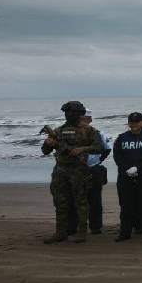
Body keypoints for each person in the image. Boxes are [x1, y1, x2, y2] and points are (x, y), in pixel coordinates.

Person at [41, 101, 104, 243]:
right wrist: (48, 144)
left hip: (79, 169)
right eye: (67, 112)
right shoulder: (58, 131)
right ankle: (60, 232)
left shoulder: (89, 130)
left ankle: (82, 232)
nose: (70, 115)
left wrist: (82, 149)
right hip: (61, 170)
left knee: (81, 201)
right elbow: (45, 151)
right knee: (60, 202)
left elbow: (99, 147)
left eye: (73, 112)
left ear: (80, 114)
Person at [112, 112, 142, 241]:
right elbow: (117, 155)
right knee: (126, 205)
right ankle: (125, 233)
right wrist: (126, 168)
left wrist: (138, 167)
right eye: (131, 122)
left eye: (137, 122)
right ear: (128, 123)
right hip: (125, 175)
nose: (134, 124)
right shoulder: (122, 137)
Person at [66, 109, 111, 236]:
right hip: (74, 170)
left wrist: (98, 161)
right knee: (73, 199)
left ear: (90, 120)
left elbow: (107, 149)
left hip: (93, 168)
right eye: (81, 119)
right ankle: (72, 226)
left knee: (94, 200)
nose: (83, 121)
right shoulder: (69, 133)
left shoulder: (98, 133)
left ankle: (95, 227)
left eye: (85, 119)